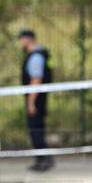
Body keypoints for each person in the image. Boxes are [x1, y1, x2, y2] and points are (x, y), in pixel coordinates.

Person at [18, 29, 55, 171]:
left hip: (36, 99)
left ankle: (45, 159)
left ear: (28, 39)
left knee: (35, 131)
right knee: (37, 130)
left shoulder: (35, 57)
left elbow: (36, 79)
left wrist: (31, 102)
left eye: (21, 39)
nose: (20, 42)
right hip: (39, 98)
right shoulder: (39, 54)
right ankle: (41, 159)